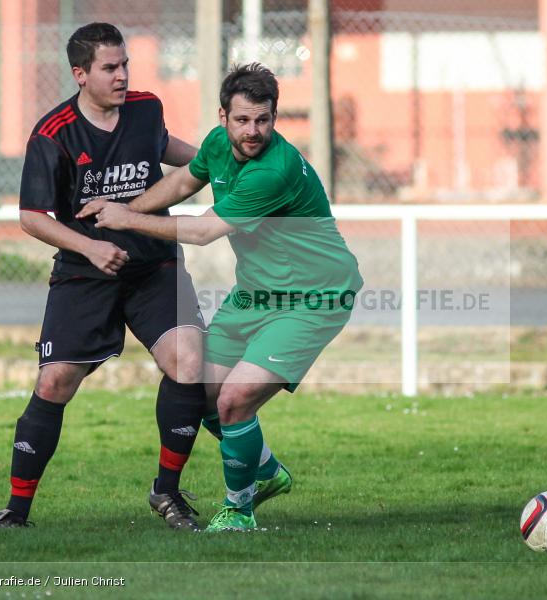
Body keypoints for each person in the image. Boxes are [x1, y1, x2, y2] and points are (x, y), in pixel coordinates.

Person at [77, 63, 364, 531]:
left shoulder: (274, 170)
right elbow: (183, 182)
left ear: (275, 117)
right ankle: (266, 471)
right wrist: (126, 206)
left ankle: (239, 509)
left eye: (264, 120)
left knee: (234, 400)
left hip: (315, 296)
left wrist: (125, 220)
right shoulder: (216, 145)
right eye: (243, 120)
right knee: (202, 397)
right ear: (223, 117)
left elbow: (206, 230)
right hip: (257, 292)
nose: (254, 131)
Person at [0, 22, 211, 530]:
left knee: (188, 359)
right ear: (80, 74)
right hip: (85, 272)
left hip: (154, 265)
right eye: (110, 67)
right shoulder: (53, 133)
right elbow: (32, 216)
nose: (123, 75)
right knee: (56, 380)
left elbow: (166, 145)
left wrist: (214, 163)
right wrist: (91, 246)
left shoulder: (146, 107)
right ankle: (16, 511)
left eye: (125, 63)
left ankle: (167, 492)